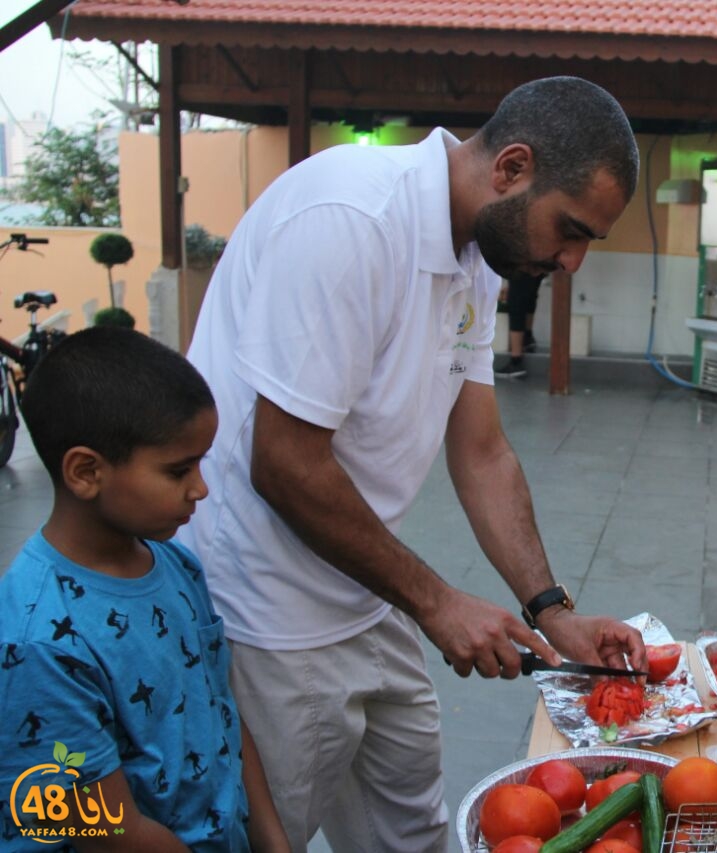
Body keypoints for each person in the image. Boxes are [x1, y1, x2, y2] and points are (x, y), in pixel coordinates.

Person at [179, 76, 647, 851]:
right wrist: (435, 601)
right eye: (571, 229)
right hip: (265, 612)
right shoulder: (352, 221)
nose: (572, 262)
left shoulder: (477, 255)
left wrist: (553, 612)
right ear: (512, 169)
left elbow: (483, 450)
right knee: (269, 835)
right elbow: (285, 462)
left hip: (365, 591)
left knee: (413, 830)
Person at [0, 327, 288, 852]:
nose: (200, 488)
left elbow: (220, 709)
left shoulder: (176, 566)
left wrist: (272, 841)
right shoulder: (37, 642)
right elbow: (106, 832)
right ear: (86, 472)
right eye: (179, 469)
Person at [495, 272, 545, 379]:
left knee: (516, 302)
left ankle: (516, 360)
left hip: (521, 261)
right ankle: (527, 339)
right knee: (530, 296)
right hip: (539, 261)